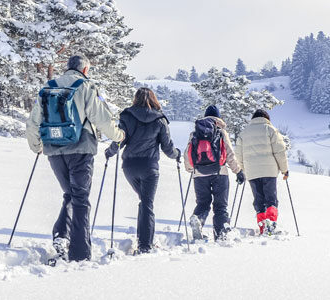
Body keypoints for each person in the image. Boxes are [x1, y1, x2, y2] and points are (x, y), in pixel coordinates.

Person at [25, 55, 126, 262]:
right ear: (85, 70)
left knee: (70, 194)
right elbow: (102, 117)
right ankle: (80, 254)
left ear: (67, 67)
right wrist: (119, 135)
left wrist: (36, 146)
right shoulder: (85, 86)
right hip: (80, 148)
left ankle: (61, 236)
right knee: (80, 199)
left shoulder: (49, 86)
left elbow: (34, 119)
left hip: (53, 150)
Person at [104, 88, 180, 254]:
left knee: (144, 202)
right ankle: (145, 245)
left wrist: (109, 152)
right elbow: (167, 147)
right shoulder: (160, 119)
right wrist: (177, 155)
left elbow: (120, 140)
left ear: (135, 99)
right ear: (154, 99)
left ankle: (143, 239)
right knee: (147, 203)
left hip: (130, 167)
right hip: (149, 167)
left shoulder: (127, 116)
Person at [184, 105, 243, 241]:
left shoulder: (195, 133)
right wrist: (238, 171)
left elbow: (187, 154)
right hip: (220, 172)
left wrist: (191, 169)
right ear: (218, 117)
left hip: (199, 174)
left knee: (203, 203)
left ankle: (198, 219)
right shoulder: (221, 131)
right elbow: (229, 154)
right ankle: (221, 234)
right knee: (220, 206)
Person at [235, 109, 289, 236]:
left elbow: (239, 155)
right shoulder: (270, 129)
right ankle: (271, 224)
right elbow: (279, 151)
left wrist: (244, 169)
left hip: (252, 172)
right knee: (271, 199)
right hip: (269, 171)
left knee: (259, 200)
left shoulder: (244, 133)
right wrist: (284, 170)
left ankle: (262, 227)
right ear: (266, 118)